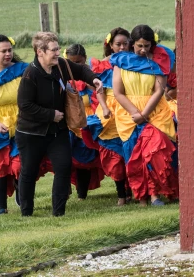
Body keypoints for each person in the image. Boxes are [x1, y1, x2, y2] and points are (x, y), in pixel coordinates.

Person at [16, 32, 102, 217]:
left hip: (58, 130)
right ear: (40, 51)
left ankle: (59, 212)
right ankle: (26, 212)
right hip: (31, 133)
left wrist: (93, 78)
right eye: (54, 50)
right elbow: (25, 105)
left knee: (63, 167)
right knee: (29, 171)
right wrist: (50, 114)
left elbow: (80, 70)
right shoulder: (30, 75)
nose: (57, 53)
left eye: (57, 49)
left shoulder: (61, 65)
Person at [111, 25, 178, 206]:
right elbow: (118, 92)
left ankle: (156, 194)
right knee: (135, 155)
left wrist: (145, 114)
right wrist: (135, 113)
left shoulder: (160, 60)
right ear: (132, 44)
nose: (143, 50)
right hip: (128, 114)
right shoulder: (121, 61)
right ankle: (142, 196)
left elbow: (159, 90)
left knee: (154, 151)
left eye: (147, 46)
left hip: (154, 112)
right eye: (139, 46)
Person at [87, 28, 130, 206]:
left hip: (130, 106)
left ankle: (134, 190)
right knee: (114, 156)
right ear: (110, 45)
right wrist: (104, 107)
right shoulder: (101, 65)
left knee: (130, 151)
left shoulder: (135, 63)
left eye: (125, 44)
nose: (121, 47)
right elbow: (100, 90)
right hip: (110, 111)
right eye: (118, 44)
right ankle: (121, 194)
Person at [64, 44, 105, 201]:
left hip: (86, 122)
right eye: (71, 62)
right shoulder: (61, 74)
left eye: (79, 63)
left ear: (85, 59)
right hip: (68, 122)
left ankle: (82, 194)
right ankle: (64, 186)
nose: (75, 66)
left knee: (84, 160)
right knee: (63, 156)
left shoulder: (90, 76)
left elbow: (98, 96)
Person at [0, 35, 28, 214]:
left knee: (19, 165)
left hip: (21, 122)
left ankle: (21, 193)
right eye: (3, 51)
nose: (8, 54)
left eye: (10, 50)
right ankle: (2, 208)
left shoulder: (22, 70)